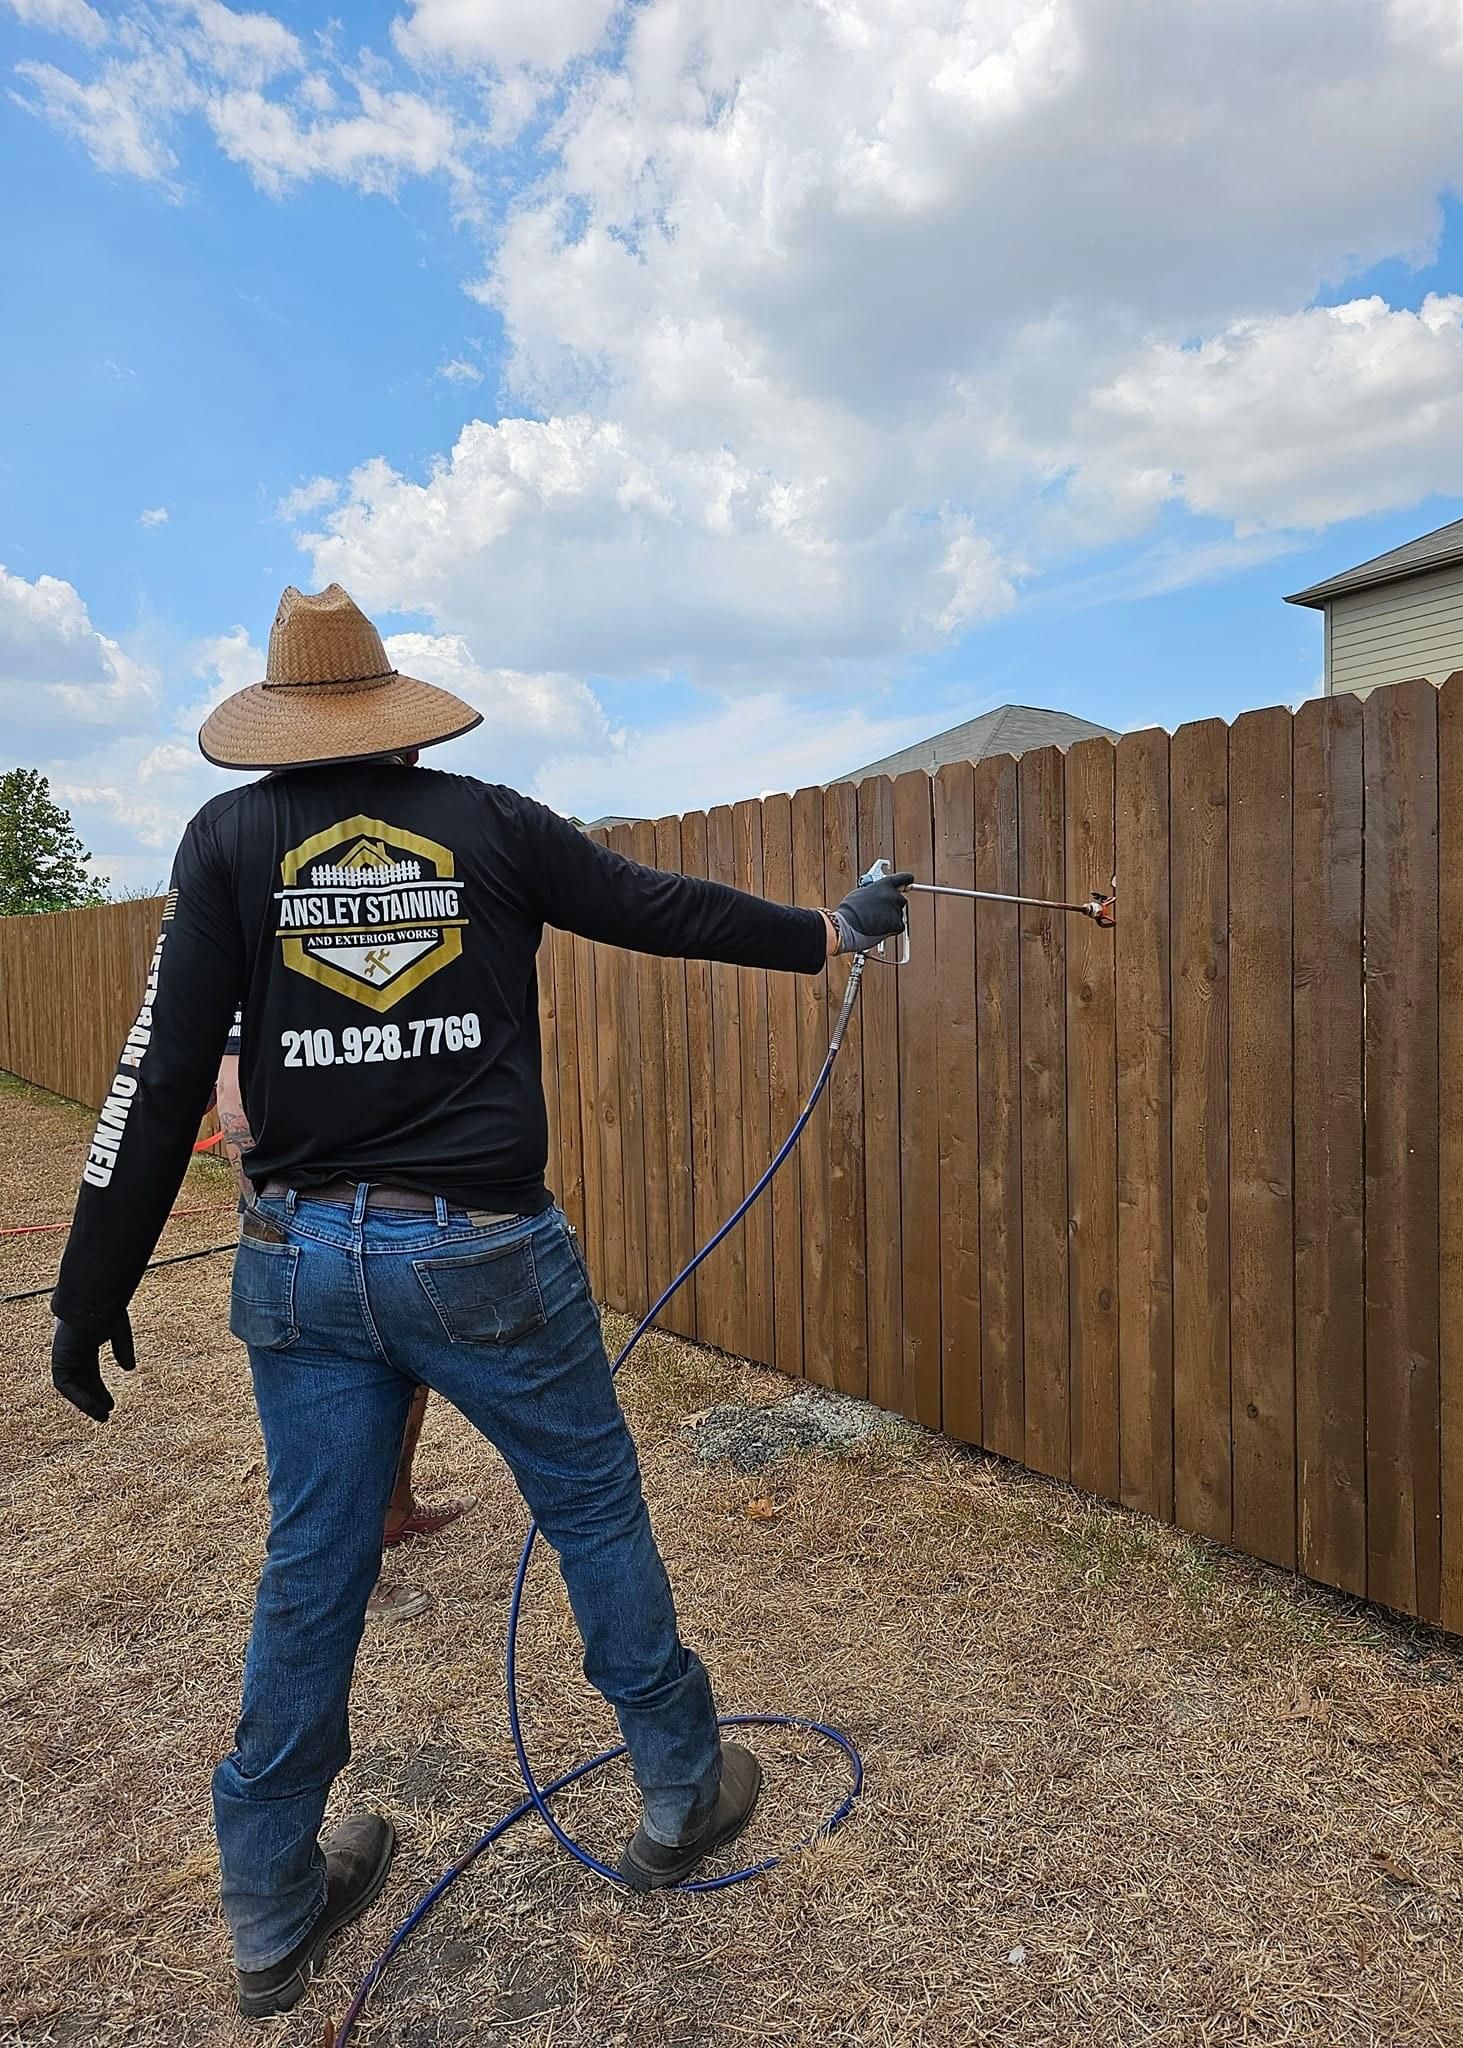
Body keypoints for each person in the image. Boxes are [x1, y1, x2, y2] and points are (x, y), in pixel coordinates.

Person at [46, 583, 911, 2021]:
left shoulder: (228, 841)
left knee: (311, 1566)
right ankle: (681, 1790)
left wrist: (90, 1287)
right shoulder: (489, 822)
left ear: (279, 723)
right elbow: (661, 908)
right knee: (592, 1508)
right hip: (483, 1255)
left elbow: (160, 1064)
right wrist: (830, 930)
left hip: (303, 1262)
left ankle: (269, 1903)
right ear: (390, 711)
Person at [218, 1012, 472, 1626]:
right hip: (316, 1226)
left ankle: (392, 1510)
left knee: (406, 1374)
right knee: (336, 1414)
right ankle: (353, 1579)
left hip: (399, 1219)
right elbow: (233, 1086)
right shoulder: (266, 929)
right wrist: (273, 1208)